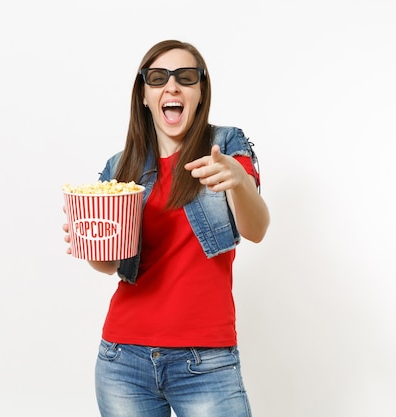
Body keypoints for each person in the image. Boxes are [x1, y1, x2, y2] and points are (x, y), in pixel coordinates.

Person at [62, 39, 270, 417]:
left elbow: (256, 229)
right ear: (144, 94)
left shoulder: (225, 145)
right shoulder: (120, 167)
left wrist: (238, 178)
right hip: (122, 358)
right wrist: (90, 241)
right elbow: (109, 266)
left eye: (185, 77)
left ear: (200, 91)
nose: (172, 86)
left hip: (206, 361)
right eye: (158, 78)